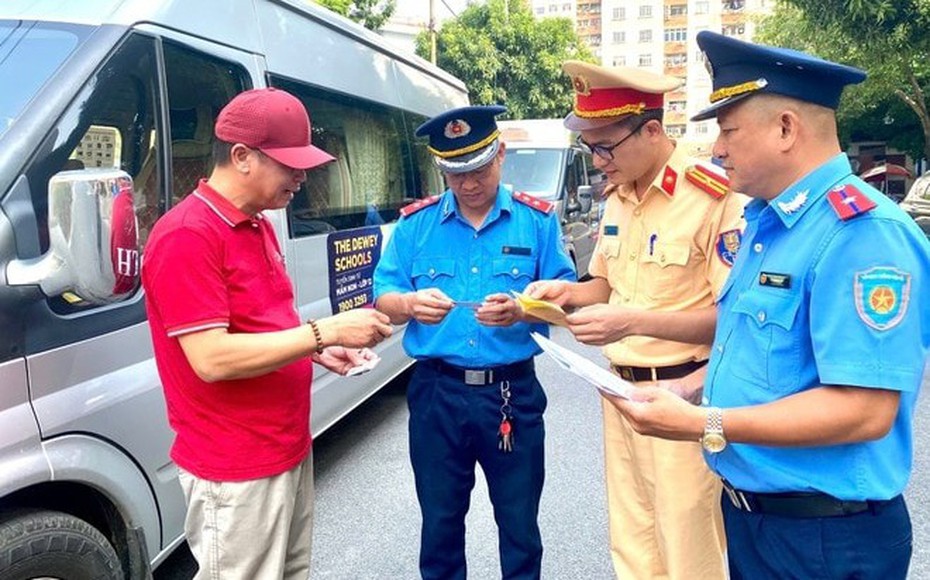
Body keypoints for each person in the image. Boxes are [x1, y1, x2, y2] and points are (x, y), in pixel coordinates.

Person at [612, 31, 930, 579]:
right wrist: (687, 388)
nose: (717, 148)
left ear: (786, 128)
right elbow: (758, 350)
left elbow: (865, 409)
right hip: (758, 522)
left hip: (825, 538)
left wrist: (704, 422)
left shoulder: (862, 234)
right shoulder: (769, 226)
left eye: (728, 130)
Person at [142, 87, 393, 579]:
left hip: (284, 446)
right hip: (236, 464)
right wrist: (323, 332)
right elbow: (211, 358)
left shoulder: (257, 225)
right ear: (241, 157)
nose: (302, 178)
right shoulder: (187, 235)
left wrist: (319, 352)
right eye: (290, 165)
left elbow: (264, 326)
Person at [526, 61, 746, 579]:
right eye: (589, 148)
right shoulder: (619, 196)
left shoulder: (713, 196)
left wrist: (628, 322)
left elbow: (729, 318)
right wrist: (569, 293)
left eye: (605, 147)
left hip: (682, 396)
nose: (597, 161)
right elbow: (606, 284)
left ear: (651, 130)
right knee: (633, 543)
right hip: (619, 394)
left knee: (687, 547)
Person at [373, 105, 576, 580]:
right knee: (440, 525)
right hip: (436, 394)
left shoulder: (536, 221)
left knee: (519, 525)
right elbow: (383, 297)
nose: (467, 184)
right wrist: (408, 305)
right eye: (454, 173)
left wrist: (524, 309)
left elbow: (568, 302)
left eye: (478, 169)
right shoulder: (415, 226)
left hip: (511, 396)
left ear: (500, 154)